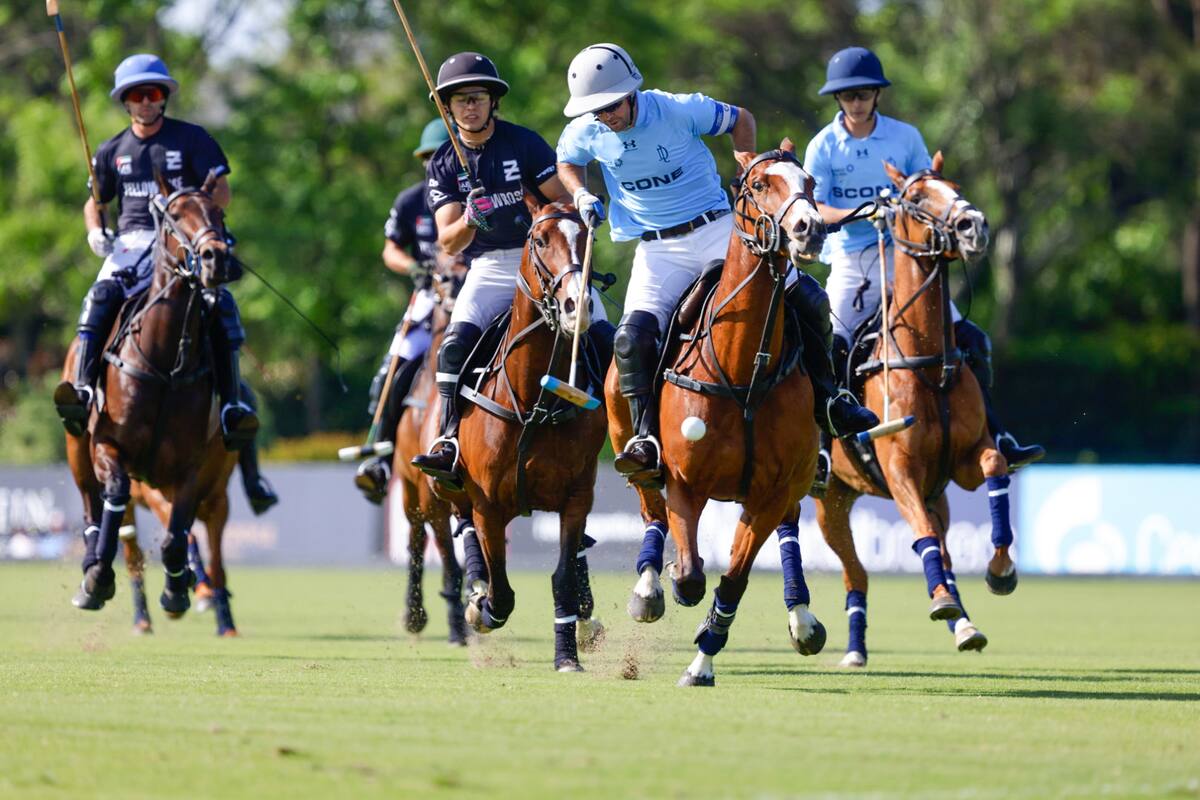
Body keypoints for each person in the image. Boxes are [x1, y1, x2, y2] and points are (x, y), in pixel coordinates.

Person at [555, 43, 878, 487]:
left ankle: (829, 400)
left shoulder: (678, 109)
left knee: (808, 297)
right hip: (657, 249)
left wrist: (745, 168)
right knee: (630, 340)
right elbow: (567, 159)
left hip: (716, 231)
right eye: (597, 110)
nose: (605, 116)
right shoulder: (586, 129)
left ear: (631, 93)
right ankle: (645, 438)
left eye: (611, 106)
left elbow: (741, 118)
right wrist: (579, 193)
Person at [803, 46, 1043, 490]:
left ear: (877, 95)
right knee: (831, 346)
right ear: (837, 98)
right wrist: (863, 211)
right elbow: (814, 206)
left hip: (906, 257)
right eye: (849, 95)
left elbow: (927, 189)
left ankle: (998, 434)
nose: (857, 102)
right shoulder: (823, 145)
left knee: (971, 338)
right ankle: (821, 451)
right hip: (853, 262)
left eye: (864, 94)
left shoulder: (905, 137)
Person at [52, 53, 277, 513]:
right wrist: (95, 231)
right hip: (132, 241)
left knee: (220, 307)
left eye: (153, 93)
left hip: (182, 241)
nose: (146, 101)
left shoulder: (192, 139)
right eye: (137, 95)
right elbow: (95, 201)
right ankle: (84, 388)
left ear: (164, 97)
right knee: (100, 296)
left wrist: (203, 222)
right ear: (125, 101)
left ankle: (230, 405)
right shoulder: (112, 150)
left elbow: (221, 189)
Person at [410, 52, 613, 490]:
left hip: (542, 259)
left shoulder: (523, 144)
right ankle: (449, 439)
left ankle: (628, 430)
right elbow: (448, 241)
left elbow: (563, 203)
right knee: (453, 348)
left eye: (478, 97)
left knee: (604, 337)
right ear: (448, 107)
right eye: (461, 99)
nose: (470, 106)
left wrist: (542, 217)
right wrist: (470, 219)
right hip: (489, 266)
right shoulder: (444, 163)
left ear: (492, 102)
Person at [354, 119, 451, 504]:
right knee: (393, 369)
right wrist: (413, 267)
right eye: (428, 157)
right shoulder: (411, 201)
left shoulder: (478, 193)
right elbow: (390, 249)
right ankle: (380, 458)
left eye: (441, 155)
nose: (433, 163)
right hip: (430, 297)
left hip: (478, 287)